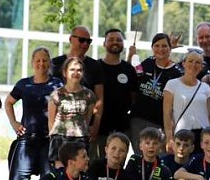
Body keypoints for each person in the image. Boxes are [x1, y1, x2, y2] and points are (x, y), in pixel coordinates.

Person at [0, 47, 62, 180]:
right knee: (18, 178)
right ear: (32, 63)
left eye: (45, 60)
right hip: (27, 140)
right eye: (38, 60)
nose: (41, 63)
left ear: (49, 62)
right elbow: (8, 102)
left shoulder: (58, 84)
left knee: (47, 179)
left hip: (49, 140)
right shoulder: (23, 84)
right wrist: (14, 123)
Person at [128, 32, 184, 152]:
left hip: (160, 125)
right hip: (138, 120)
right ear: (152, 48)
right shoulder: (147, 62)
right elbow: (133, 76)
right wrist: (131, 56)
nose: (160, 49)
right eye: (157, 46)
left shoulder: (177, 72)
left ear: (170, 48)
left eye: (164, 46)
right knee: (141, 156)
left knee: (157, 159)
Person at [50, 26, 104, 142]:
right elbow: (49, 97)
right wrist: (51, 129)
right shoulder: (55, 63)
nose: (85, 44)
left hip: (83, 130)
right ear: (71, 39)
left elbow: (99, 100)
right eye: (81, 40)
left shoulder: (95, 66)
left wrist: (95, 126)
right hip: (59, 131)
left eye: (88, 41)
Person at [94, 28, 138, 160]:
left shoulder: (129, 69)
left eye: (119, 40)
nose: (115, 42)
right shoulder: (95, 67)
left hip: (122, 128)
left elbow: (133, 97)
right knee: (97, 164)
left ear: (123, 44)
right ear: (104, 43)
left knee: (117, 165)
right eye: (111, 39)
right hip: (99, 128)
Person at [48, 57, 97, 164]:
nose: (76, 73)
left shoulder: (89, 95)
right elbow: (51, 121)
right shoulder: (56, 94)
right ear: (64, 73)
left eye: (79, 70)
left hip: (80, 138)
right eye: (72, 70)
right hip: (60, 138)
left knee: (79, 169)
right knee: (60, 171)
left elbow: (87, 119)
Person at [163, 49, 210, 151]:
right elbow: (167, 113)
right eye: (190, 61)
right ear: (183, 64)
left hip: (203, 135)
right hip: (182, 135)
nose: (194, 64)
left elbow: (209, 115)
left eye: (198, 62)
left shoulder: (205, 87)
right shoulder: (172, 84)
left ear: (201, 66)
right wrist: (169, 138)